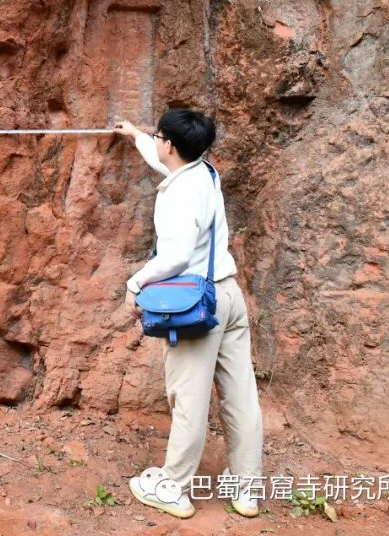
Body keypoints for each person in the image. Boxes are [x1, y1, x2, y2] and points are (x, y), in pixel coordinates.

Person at [114, 110, 263, 519]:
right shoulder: (204, 171)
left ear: (172, 145)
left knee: (189, 400)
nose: (155, 141)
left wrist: (136, 282)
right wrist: (134, 136)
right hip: (229, 295)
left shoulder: (178, 193)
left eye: (157, 136)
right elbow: (164, 161)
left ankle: (174, 488)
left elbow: (177, 256)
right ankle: (247, 490)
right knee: (241, 397)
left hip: (198, 307)